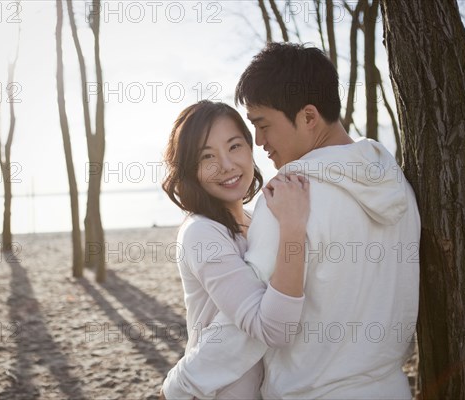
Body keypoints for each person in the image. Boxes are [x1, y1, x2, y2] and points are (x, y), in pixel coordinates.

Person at [162, 43, 420, 399]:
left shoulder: (288, 196)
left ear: (309, 117)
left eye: (263, 125)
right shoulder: (397, 187)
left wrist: (180, 385)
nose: (260, 141)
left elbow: (247, 332)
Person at [160, 100, 311, 399]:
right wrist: (294, 226)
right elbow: (272, 329)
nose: (226, 165)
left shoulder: (258, 222)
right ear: (191, 169)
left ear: (250, 148)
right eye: (207, 156)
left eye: (234, 146)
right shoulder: (201, 232)